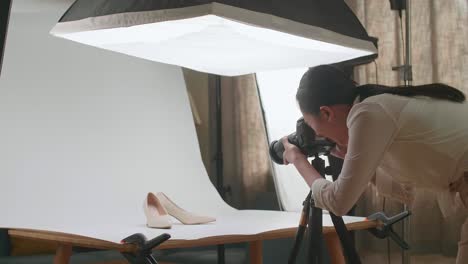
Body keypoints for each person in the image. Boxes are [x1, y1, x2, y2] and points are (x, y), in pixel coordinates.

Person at [281, 65, 468, 263]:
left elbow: (339, 202)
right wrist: (363, 167)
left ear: (326, 113)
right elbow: (410, 190)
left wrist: (297, 159)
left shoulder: (368, 113)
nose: (320, 136)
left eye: (314, 127)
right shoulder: (379, 105)